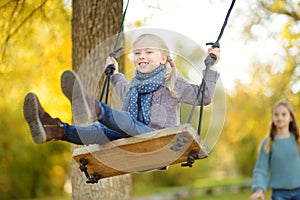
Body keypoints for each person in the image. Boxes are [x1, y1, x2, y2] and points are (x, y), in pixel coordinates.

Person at [23, 33, 220, 145]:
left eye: (148, 52)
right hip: (130, 137)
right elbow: (121, 88)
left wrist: (211, 66)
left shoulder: (172, 81)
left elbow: (204, 97)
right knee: (98, 131)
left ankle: (94, 108)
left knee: (126, 121)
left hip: (159, 141)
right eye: (137, 53)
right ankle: (53, 129)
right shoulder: (134, 85)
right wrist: (115, 73)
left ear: (163, 58)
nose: (141, 56)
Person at [250, 100, 300, 200]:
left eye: (284, 114)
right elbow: (261, 169)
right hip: (279, 194)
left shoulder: (297, 140)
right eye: (276, 114)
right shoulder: (268, 143)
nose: (279, 117)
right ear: (272, 118)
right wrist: (259, 189)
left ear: (291, 118)